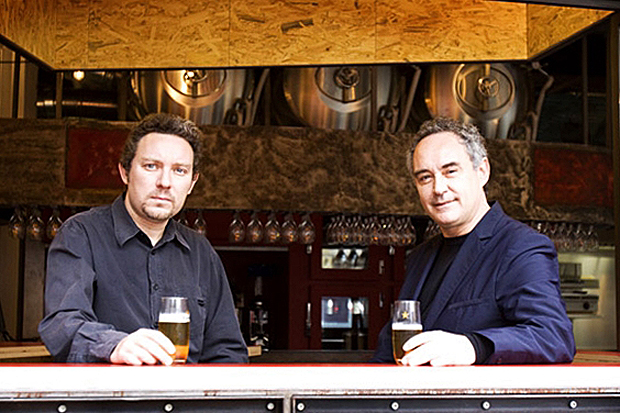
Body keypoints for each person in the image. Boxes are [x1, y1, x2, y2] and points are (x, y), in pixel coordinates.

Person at [38, 113, 248, 365]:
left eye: (179, 171)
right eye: (151, 166)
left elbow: (227, 352)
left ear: (192, 183)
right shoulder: (81, 234)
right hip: (111, 401)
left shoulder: (200, 252)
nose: (165, 183)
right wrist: (114, 345)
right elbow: (63, 324)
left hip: (184, 402)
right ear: (125, 172)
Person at [372, 117, 575, 366]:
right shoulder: (419, 256)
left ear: (482, 172)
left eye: (451, 171)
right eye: (425, 177)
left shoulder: (521, 247)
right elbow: (388, 350)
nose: (438, 188)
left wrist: (472, 346)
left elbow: (552, 337)